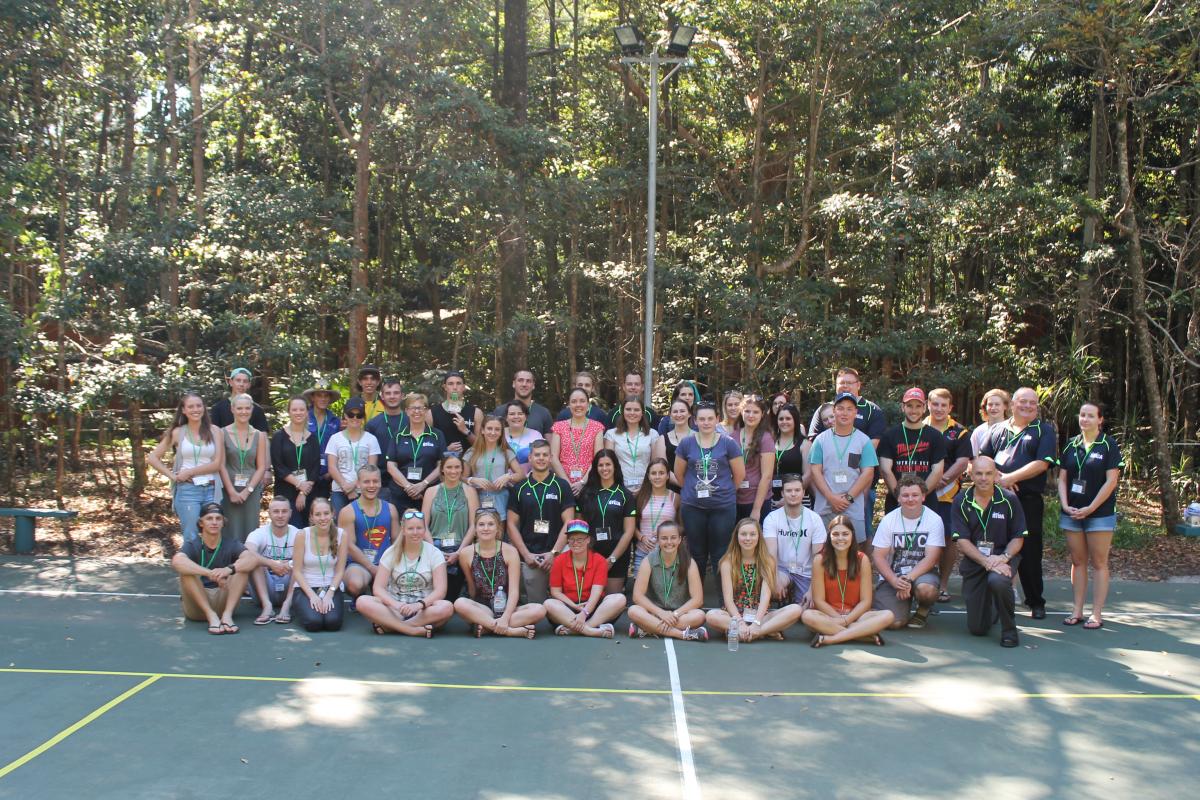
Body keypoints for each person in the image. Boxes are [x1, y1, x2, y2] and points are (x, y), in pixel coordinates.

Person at [980, 386, 1057, 619]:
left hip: (1028, 501)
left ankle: (1035, 601)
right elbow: (982, 460)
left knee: (1030, 552)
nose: (1027, 406)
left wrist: (1011, 478)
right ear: (1012, 404)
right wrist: (999, 479)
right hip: (997, 499)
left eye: (1032, 403)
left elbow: (1042, 463)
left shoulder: (1044, 431)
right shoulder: (997, 429)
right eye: (1023, 401)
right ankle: (993, 601)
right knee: (994, 547)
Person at [1058, 401, 1124, 629]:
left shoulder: (1108, 445)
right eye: (1082, 415)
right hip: (1072, 513)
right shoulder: (1070, 444)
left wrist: (1091, 508)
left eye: (1090, 415)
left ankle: (1096, 614)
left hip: (1099, 515)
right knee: (1077, 562)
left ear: (1100, 419)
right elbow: (1062, 479)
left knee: (1099, 562)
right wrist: (1065, 505)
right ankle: (1077, 610)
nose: (1085, 419)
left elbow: (1111, 481)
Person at [952, 456, 1026, 647]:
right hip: (975, 560)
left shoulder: (1009, 499)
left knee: (998, 581)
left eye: (988, 473)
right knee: (977, 629)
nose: (984, 478)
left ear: (995, 475)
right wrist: (986, 561)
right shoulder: (961, 500)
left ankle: (1009, 630)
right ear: (971, 475)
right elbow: (962, 541)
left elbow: (1018, 537)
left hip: (1003, 558)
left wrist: (1003, 558)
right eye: (979, 473)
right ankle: (992, 605)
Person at [808, 368, 887, 538]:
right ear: (834, 411)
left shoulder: (864, 441)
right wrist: (831, 497)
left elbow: (867, 473)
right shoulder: (821, 440)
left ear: (856, 412)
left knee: (854, 548)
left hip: (853, 506)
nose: (844, 413)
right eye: (840, 408)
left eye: (850, 409)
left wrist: (849, 498)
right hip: (825, 505)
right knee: (824, 547)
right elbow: (815, 471)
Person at [673, 402, 745, 579]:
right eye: (702, 419)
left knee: (721, 553)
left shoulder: (729, 443)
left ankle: (723, 594)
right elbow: (679, 473)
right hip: (693, 507)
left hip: (722, 507)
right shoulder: (686, 443)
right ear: (695, 420)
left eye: (710, 418)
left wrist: (725, 491)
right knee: (696, 552)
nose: (706, 422)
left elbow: (739, 474)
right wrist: (691, 489)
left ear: (717, 419)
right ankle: (696, 593)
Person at [356, 509, 456, 636]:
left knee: (446, 607)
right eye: (410, 528)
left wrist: (419, 605)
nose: (415, 532)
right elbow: (378, 588)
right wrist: (397, 605)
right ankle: (411, 630)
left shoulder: (434, 553)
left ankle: (391, 626)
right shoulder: (391, 552)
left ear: (425, 530)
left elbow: (440, 591)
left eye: (419, 528)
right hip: (396, 609)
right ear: (403, 530)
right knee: (362, 601)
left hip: (423, 610)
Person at [801, 516, 893, 647]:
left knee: (888, 615)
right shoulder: (819, 560)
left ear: (852, 536)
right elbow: (819, 600)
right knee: (807, 616)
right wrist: (840, 619)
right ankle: (863, 635)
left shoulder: (862, 559)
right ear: (829, 537)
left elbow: (866, 601)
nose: (840, 538)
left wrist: (847, 620)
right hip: (829, 616)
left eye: (845, 534)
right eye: (835, 534)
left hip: (856, 615)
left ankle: (831, 639)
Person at [706, 518, 803, 641]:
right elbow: (728, 600)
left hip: (760, 616)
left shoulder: (767, 561)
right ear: (736, 537)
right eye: (743, 534)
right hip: (734, 616)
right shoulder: (727, 561)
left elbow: (765, 596)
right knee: (711, 616)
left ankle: (751, 632)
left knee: (795, 609)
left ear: (759, 537)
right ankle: (764, 631)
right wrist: (740, 622)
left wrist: (757, 622)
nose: (748, 538)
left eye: (752, 534)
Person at [454, 509, 546, 637]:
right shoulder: (466, 553)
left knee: (539, 610)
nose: (486, 528)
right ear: (475, 529)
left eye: (491, 524)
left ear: (498, 528)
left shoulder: (510, 551)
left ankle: (487, 627)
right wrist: (472, 610)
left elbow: (514, 591)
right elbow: (472, 589)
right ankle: (509, 631)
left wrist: (505, 617)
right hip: (483, 609)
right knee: (459, 603)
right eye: (481, 524)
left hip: (508, 608)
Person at [148, 392, 225, 544]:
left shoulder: (215, 431)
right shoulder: (178, 432)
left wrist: (190, 472)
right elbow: (152, 458)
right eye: (191, 406)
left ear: (204, 408)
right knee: (191, 535)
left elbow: (217, 464)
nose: (195, 409)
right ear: (183, 410)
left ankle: (210, 560)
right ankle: (192, 560)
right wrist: (173, 476)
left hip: (211, 488)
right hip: (188, 490)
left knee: (213, 532)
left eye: (199, 405)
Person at [871, 475, 945, 630]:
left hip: (922, 575)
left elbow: (932, 557)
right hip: (894, 575)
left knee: (926, 590)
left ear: (923, 496)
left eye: (915, 495)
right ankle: (900, 606)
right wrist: (894, 581)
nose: (910, 499)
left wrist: (908, 579)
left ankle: (923, 609)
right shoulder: (888, 520)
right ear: (898, 498)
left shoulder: (934, 519)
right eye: (905, 495)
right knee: (893, 623)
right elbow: (878, 556)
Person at [171, 502, 256, 634]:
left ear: (223, 522)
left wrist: (228, 570)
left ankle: (227, 616)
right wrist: (210, 573)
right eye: (209, 518)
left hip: (223, 599)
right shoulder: (192, 545)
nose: (214, 522)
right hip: (197, 606)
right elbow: (177, 561)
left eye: (218, 518)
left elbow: (251, 559)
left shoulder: (231, 544)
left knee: (241, 570)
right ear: (201, 523)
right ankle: (211, 615)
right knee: (186, 573)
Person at [506, 439, 576, 603]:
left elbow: (569, 522)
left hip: (558, 554)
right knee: (536, 607)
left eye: (545, 455)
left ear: (551, 458)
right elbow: (511, 524)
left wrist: (554, 553)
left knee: (562, 605)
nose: (541, 458)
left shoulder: (562, 485)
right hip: (531, 556)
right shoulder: (519, 488)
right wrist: (526, 554)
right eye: (537, 455)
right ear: (530, 458)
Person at [925, 388, 973, 602]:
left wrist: (940, 480)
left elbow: (963, 462)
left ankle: (943, 585)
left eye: (943, 405)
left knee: (947, 541)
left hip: (948, 495)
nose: (939, 409)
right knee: (923, 539)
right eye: (935, 404)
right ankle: (923, 583)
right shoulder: (918, 427)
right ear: (928, 405)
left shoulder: (960, 432)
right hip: (921, 495)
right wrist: (926, 486)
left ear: (950, 407)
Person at [543, 520, 627, 637]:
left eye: (580, 539)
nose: (575, 543)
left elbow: (596, 593)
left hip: (593, 609)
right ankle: (591, 631)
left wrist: (584, 612)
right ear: (567, 540)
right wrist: (574, 606)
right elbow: (555, 592)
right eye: (572, 539)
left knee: (620, 599)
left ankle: (579, 628)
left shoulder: (600, 561)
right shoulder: (559, 560)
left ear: (588, 540)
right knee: (548, 604)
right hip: (568, 608)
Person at [627, 521, 709, 640]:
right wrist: (661, 613)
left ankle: (648, 628)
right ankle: (681, 634)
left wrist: (675, 614)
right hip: (654, 612)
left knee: (699, 616)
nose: (669, 542)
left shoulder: (689, 562)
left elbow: (698, 599)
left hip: (679, 614)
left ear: (680, 539)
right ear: (658, 540)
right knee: (633, 611)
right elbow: (637, 596)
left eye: (673, 538)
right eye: (664, 538)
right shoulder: (648, 561)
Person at [877, 387, 945, 513]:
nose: (914, 410)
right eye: (909, 406)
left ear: (924, 408)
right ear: (903, 407)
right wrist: (900, 497)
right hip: (895, 502)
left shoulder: (935, 436)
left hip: (927, 502)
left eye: (918, 406)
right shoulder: (889, 436)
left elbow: (937, 471)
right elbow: (885, 470)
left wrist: (919, 497)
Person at [337, 464, 401, 600]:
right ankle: (360, 597)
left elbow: (397, 541)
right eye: (366, 481)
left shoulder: (391, 509)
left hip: (385, 562)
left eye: (375, 481)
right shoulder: (347, 511)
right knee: (355, 584)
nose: (371, 485)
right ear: (358, 484)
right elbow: (349, 547)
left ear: (380, 483)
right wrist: (372, 568)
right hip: (358, 564)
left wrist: (390, 565)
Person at [578, 450, 638, 594]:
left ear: (615, 466)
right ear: (595, 468)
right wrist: (586, 553)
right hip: (590, 555)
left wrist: (611, 559)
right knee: (589, 598)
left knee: (612, 600)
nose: (604, 468)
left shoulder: (625, 494)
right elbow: (579, 526)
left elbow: (629, 531)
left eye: (608, 464)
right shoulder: (585, 493)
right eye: (600, 465)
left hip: (616, 555)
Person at [763, 474, 827, 607]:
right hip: (782, 571)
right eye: (789, 490)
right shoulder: (772, 518)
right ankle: (776, 603)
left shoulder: (814, 519)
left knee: (807, 610)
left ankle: (792, 603)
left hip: (806, 573)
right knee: (767, 583)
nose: (793, 494)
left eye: (797, 490)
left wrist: (812, 589)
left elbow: (818, 558)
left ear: (803, 492)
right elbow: (770, 554)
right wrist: (775, 579)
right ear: (782, 493)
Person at [422, 452, 479, 601]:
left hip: (461, 547)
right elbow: (423, 525)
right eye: (449, 467)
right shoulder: (431, 491)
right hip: (434, 545)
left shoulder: (469, 491)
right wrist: (434, 551)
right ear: (442, 469)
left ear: (462, 469)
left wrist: (459, 552)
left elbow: (474, 525)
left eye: (457, 467)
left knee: (452, 595)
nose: (453, 471)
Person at [290, 497, 350, 633]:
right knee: (314, 623)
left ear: (333, 514)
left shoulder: (342, 535)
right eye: (317, 514)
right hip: (306, 587)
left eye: (326, 513)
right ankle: (303, 606)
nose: (322, 518)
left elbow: (340, 571)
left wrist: (330, 594)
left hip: (331, 586)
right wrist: (312, 596)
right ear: (311, 517)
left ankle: (324, 606)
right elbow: (297, 571)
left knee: (333, 623)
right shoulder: (302, 535)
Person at [218, 393, 269, 542]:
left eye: (247, 408)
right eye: (239, 408)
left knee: (250, 529)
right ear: (232, 409)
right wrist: (231, 491)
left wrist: (248, 491)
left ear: (252, 409)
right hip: (228, 488)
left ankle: (249, 556)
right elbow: (221, 464)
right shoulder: (222, 433)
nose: (243, 412)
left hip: (251, 489)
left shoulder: (259, 435)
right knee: (230, 528)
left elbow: (261, 467)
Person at [385, 393, 446, 511]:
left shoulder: (437, 435)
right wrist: (408, 487)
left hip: (428, 493)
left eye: (421, 408)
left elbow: (442, 465)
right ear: (407, 411)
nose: (417, 411)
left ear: (426, 411)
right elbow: (391, 466)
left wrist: (423, 484)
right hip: (400, 494)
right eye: (413, 408)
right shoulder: (398, 435)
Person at [243, 496, 299, 625]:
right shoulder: (259, 533)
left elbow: (309, 557)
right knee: (254, 561)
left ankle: (286, 606)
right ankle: (267, 606)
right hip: (265, 586)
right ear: (269, 513)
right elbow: (246, 552)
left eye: (284, 511)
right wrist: (271, 564)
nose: (280, 515)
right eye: (276, 511)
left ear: (290, 513)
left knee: (299, 564)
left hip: (289, 585)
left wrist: (289, 564)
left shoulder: (298, 534)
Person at [324, 397, 381, 516]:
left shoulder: (371, 439)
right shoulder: (335, 439)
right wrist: (346, 487)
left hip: (364, 490)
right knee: (339, 523)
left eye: (359, 415)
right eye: (351, 414)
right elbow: (332, 467)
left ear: (363, 417)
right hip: (339, 490)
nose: (355, 418)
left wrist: (354, 486)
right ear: (345, 415)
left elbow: (371, 468)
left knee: (363, 523)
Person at [271, 396, 322, 527]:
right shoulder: (279, 437)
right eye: (294, 410)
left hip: (309, 493)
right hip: (285, 492)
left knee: (308, 531)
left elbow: (315, 468)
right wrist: (299, 484)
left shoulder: (313, 438)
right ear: (289, 412)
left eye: (301, 409)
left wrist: (303, 492)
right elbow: (278, 466)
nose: (298, 413)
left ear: (307, 412)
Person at [550, 387, 606, 496]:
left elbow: (598, 458)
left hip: (589, 484)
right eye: (574, 401)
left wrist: (582, 482)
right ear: (569, 405)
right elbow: (553, 457)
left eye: (582, 401)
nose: (578, 405)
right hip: (563, 484)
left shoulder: (597, 427)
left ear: (588, 405)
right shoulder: (558, 427)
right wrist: (567, 484)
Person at [605, 395, 665, 491]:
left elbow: (655, 464)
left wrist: (646, 487)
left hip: (646, 486)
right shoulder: (611, 434)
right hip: (619, 486)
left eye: (636, 410)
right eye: (628, 409)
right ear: (622, 411)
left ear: (642, 413)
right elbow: (608, 463)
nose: (632, 413)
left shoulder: (652, 434)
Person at [633, 457, 680, 574]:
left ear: (668, 475)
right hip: (643, 553)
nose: (657, 477)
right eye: (653, 473)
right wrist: (642, 538)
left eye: (661, 473)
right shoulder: (639, 496)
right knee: (640, 585)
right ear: (648, 476)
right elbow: (630, 525)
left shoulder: (676, 497)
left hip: (669, 553)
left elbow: (682, 526)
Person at [464, 416, 520, 516]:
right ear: (482, 430)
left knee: (500, 525)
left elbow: (521, 475)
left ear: (501, 433)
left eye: (497, 429)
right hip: (476, 498)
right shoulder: (472, 452)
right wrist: (472, 480)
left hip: (501, 498)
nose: (493, 432)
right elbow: (461, 477)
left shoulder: (506, 452)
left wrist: (508, 477)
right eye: (489, 428)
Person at [733, 395, 775, 521]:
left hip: (758, 501)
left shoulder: (766, 438)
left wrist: (756, 509)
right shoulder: (732, 437)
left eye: (755, 412)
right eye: (747, 411)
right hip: (735, 499)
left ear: (762, 414)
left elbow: (767, 476)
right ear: (741, 412)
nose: (751, 415)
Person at [303, 383, 342, 500]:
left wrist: (331, 473)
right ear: (313, 397)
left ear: (330, 399)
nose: (323, 399)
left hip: (326, 474)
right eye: (319, 395)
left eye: (326, 396)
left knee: (322, 507)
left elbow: (339, 448)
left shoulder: (335, 421)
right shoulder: (303, 417)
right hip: (306, 474)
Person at [431, 370, 483, 454]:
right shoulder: (432, 413)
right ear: (445, 387)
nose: (455, 387)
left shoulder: (476, 413)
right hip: (443, 461)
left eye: (458, 383)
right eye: (450, 384)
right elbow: (427, 447)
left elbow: (481, 446)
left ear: (464, 387)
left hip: (468, 460)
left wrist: (466, 431)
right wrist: (445, 450)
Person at [491, 369, 553, 434]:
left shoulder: (543, 413)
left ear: (533, 385)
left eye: (528, 381)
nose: (524, 384)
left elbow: (549, 440)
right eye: (520, 380)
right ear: (514, 384)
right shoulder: (500, 411)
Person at [771, 404, 806, 509]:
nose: (784, 421)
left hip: (797, 498)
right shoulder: (770, 442)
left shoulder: (805, 444)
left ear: (795, 420)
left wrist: (788, 496)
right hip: (772, 500)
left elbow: (808, 475)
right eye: (781, 419)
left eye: (788, 418)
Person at [502, 400, 542, 477]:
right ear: (506, 417)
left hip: (529, 480)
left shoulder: (535, 435)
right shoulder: (498, 434)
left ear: (526, 417)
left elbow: (543, 458)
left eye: (520, 414)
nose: (516, 416)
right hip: (500, 480)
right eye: (512, 414)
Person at [662, 399, 695, 486]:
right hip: (671, 489)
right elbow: (662, 468)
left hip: (696, 487)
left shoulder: (700, 437)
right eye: (675, 411)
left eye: (682, 411)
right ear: (670, 415)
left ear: (689, 414)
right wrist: (684, 485)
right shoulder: (662, 440)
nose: (679, 414)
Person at [970, 388, 1011, 456]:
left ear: (1005, 406)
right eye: (990, 404)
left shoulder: (1012, 429)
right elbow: (972, 458)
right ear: (985, 407)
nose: (993, 408)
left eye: (997, 404)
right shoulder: (979, 431)